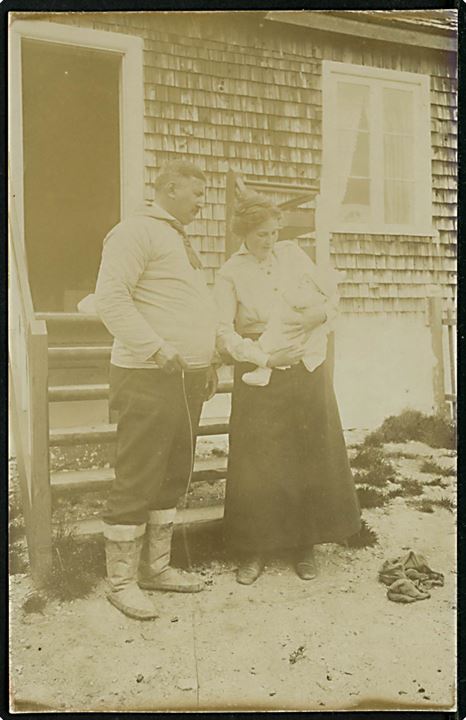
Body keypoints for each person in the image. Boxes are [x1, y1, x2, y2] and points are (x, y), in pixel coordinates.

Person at [214, 194, 361, 585]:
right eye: (263, 233)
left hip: (306, 366)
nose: (270, 239)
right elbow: (223, 332)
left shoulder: (294, 257)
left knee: (307, 453)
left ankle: (304, 544)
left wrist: (320, 313)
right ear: (245, 232)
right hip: (261, 365)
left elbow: (331, 297)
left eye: (276, 232)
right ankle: (255, 548)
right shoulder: (230, 273)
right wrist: (263, 359)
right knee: (257, 462)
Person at [94, 160, 218, 620]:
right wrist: (156, 349)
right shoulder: (134, 232)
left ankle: (156, 568)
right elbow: (110, 298)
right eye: (196, 194)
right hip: (148, 374)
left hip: (186, 376)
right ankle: (122, 582)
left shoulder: (178, 240)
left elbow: (192, 305)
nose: (201, 204)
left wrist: (210, 358)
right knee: (139, 474)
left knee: (173, 472)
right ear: (168, 189)